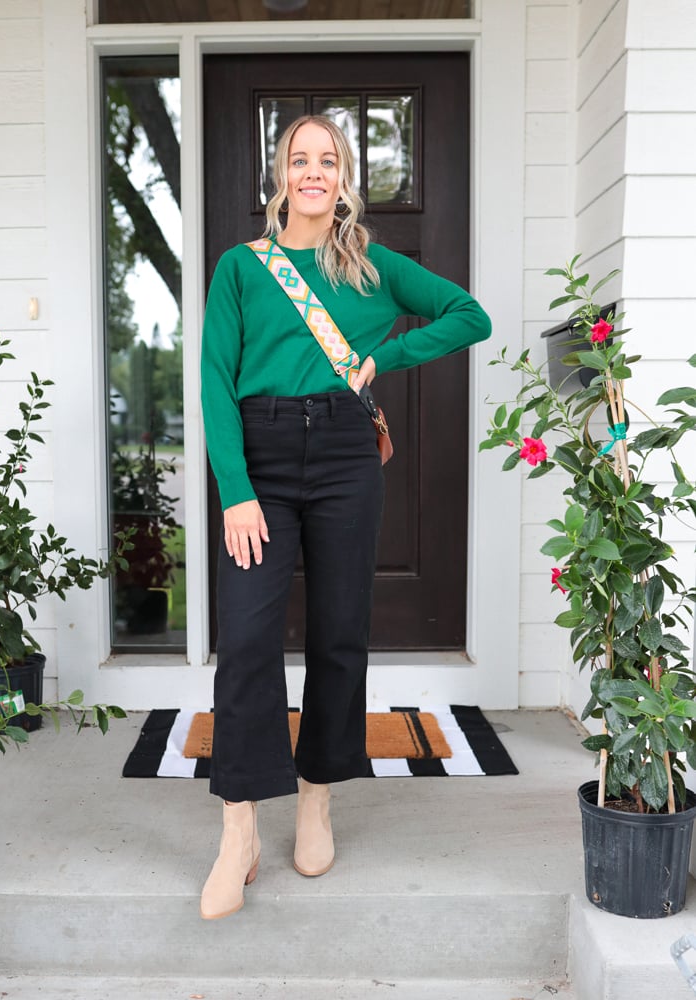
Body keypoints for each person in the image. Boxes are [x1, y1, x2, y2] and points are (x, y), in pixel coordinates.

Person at [199, 114, 491, 920]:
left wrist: (382, 358)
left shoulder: (371, 266)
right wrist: (235, 490)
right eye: (301, 160)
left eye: (329, 160)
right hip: (256, 457)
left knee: (337, 633)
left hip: (342, 455)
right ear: (280, 174)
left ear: (345, 176)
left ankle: (317, 799)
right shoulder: (240, 268)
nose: (314, 173)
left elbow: (470, 314)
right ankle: (239, 830)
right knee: (248, 639)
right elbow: (214, 381)